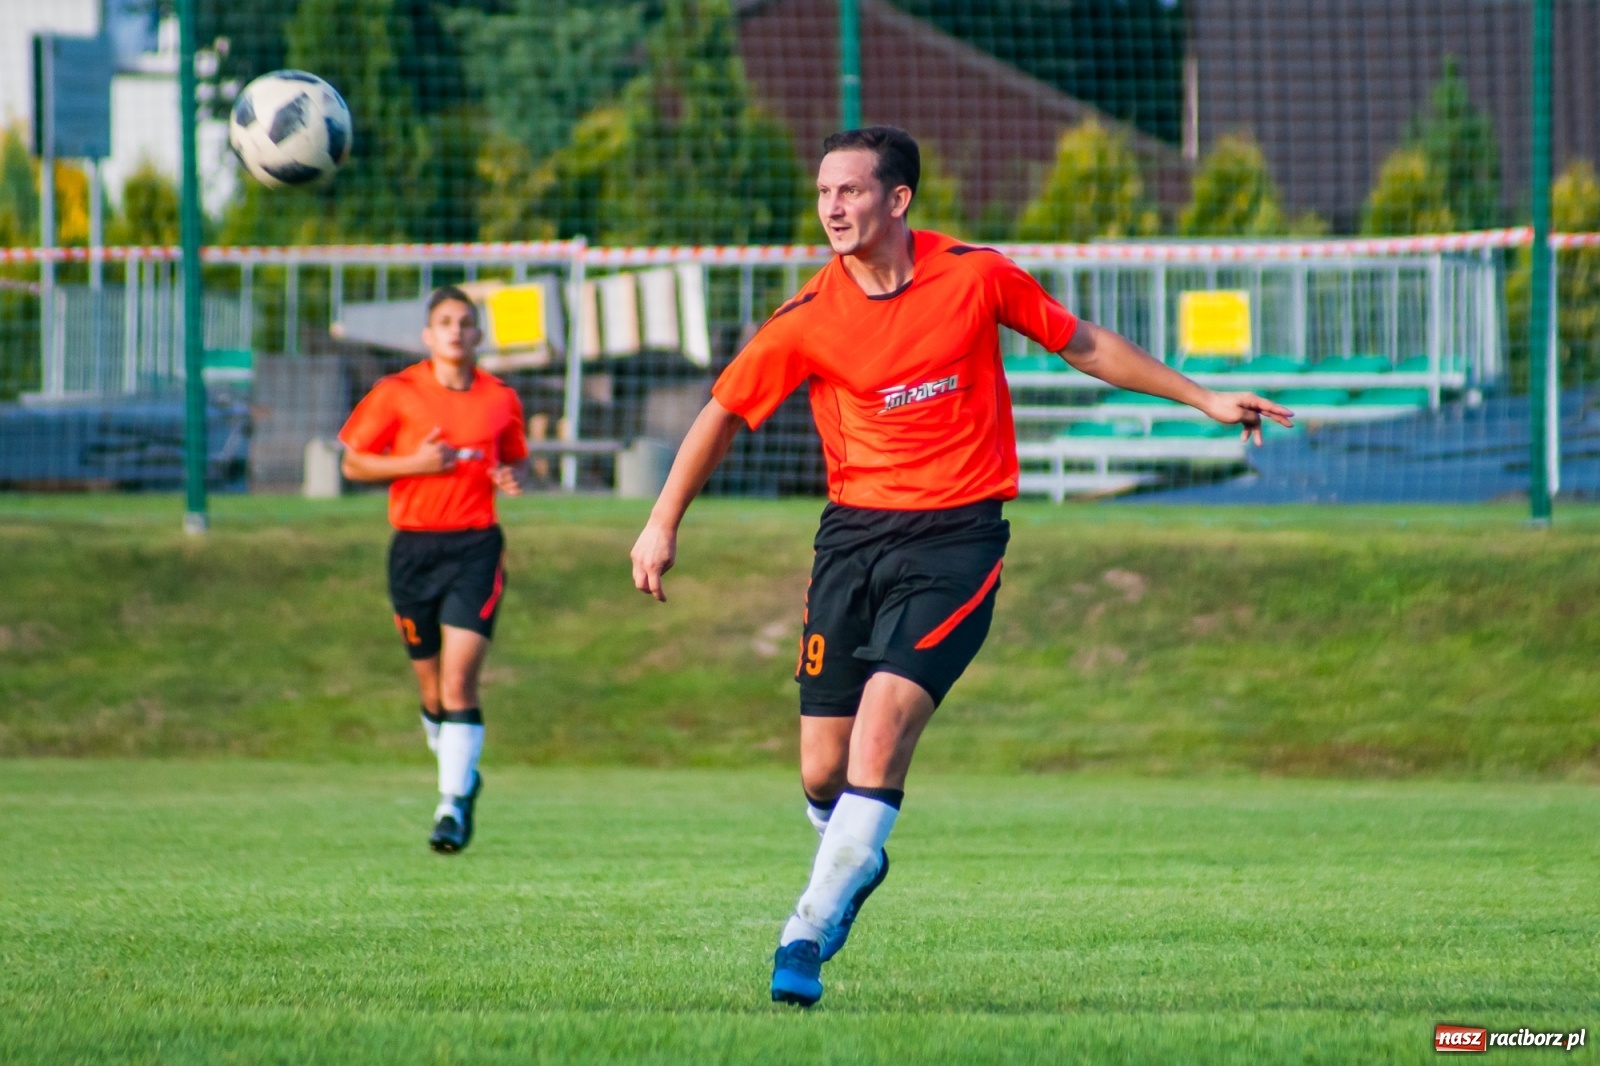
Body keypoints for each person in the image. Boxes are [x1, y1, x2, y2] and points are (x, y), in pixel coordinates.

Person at [629, 125, 1294, 1007]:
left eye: (851, 191)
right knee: (823, 772)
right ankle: (856, 857)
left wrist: (1203, 396)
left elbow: (1081, 342)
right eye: (824, 192)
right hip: (850, 544)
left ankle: (803, 935)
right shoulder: (807, 317)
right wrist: (660, 522)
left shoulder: (976, 276)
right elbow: (719, 412)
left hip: (956, 541)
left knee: (879, 736)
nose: (832, 207)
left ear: (897, 200)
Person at [339, 285, 529, 854]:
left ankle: (450, 807)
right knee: (431, 694)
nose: (455, 330)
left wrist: (509, 478)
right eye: (445, 321)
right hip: (413, 552)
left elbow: (513, 459)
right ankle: (460, 771)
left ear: (478, 335)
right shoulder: (397, 393)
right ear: (428, 334)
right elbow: (351, 462)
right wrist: (414, 464)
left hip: (474, 549)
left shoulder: (500, 398)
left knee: (459, 682)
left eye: (466, 322)